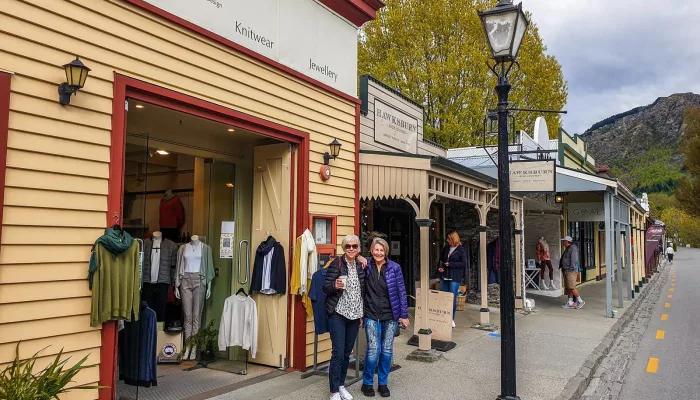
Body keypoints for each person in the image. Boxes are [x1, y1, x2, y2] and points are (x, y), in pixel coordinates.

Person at [361, 238, 410, 398]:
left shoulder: (395, 268)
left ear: (386, 252)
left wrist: (403, 315)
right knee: (373, 350)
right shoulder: (366, 265)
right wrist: (360, 258)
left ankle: (383, 383)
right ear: (371, 251)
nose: (379, 253)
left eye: (382, 250)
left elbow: (401, 291)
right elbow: (351, 256)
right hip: (371, 314)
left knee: (387, 350)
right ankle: (367, 383)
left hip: (390, 316)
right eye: (376, 250)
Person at [323, 235, 366, 400]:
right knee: (338, 353)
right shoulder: (336, 264)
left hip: (355, 315)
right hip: (338, 314)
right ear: (343, 248)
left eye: (354, 246)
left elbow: (362, 291)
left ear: (358, 248)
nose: (351, 249)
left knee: (347, 353)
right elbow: (325, 287)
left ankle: (341, 385)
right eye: (348, 246)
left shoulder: (361, 265)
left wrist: (362, 314)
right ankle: (334, 390)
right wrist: (334, 285)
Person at [438, 231, 468, 328]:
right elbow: (441, 260)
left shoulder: (461, 250)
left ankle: (451, 319)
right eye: (447, 239)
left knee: (452, 298)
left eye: (449, 239)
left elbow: (463, 263)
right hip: (444, 275)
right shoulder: (446, 248)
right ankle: (443, 318)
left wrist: (451, 264)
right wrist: (440, 266)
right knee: (443, 298)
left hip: (455, 277)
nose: (447, 240)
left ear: (454, 239)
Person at [560, 236, 584, 309]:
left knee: (572, 287)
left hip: (571, 270)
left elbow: (574, 259)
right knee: (569, 287)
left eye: (564, 241)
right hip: (567, 270)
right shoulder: (568, 248)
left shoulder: (573, 248)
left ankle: (580, 301)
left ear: (567, 241)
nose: (563, 242)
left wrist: (571, 268)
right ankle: (570, 302)